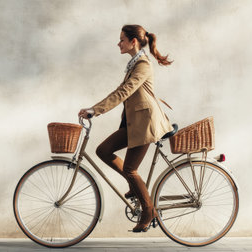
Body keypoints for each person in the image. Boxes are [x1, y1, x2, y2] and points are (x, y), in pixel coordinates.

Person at [78, 24, 174, 232]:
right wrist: (94, 108)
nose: (118, 43)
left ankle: (149, 211)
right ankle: (135, 187)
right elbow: (120, 90)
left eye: (122, 39)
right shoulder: (134, 64)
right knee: (103, 150)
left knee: (130, 169)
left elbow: (125, 92)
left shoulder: (143, 65)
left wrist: (96, 110)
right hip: (134, 124)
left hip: (146, 124)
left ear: (133, 42)